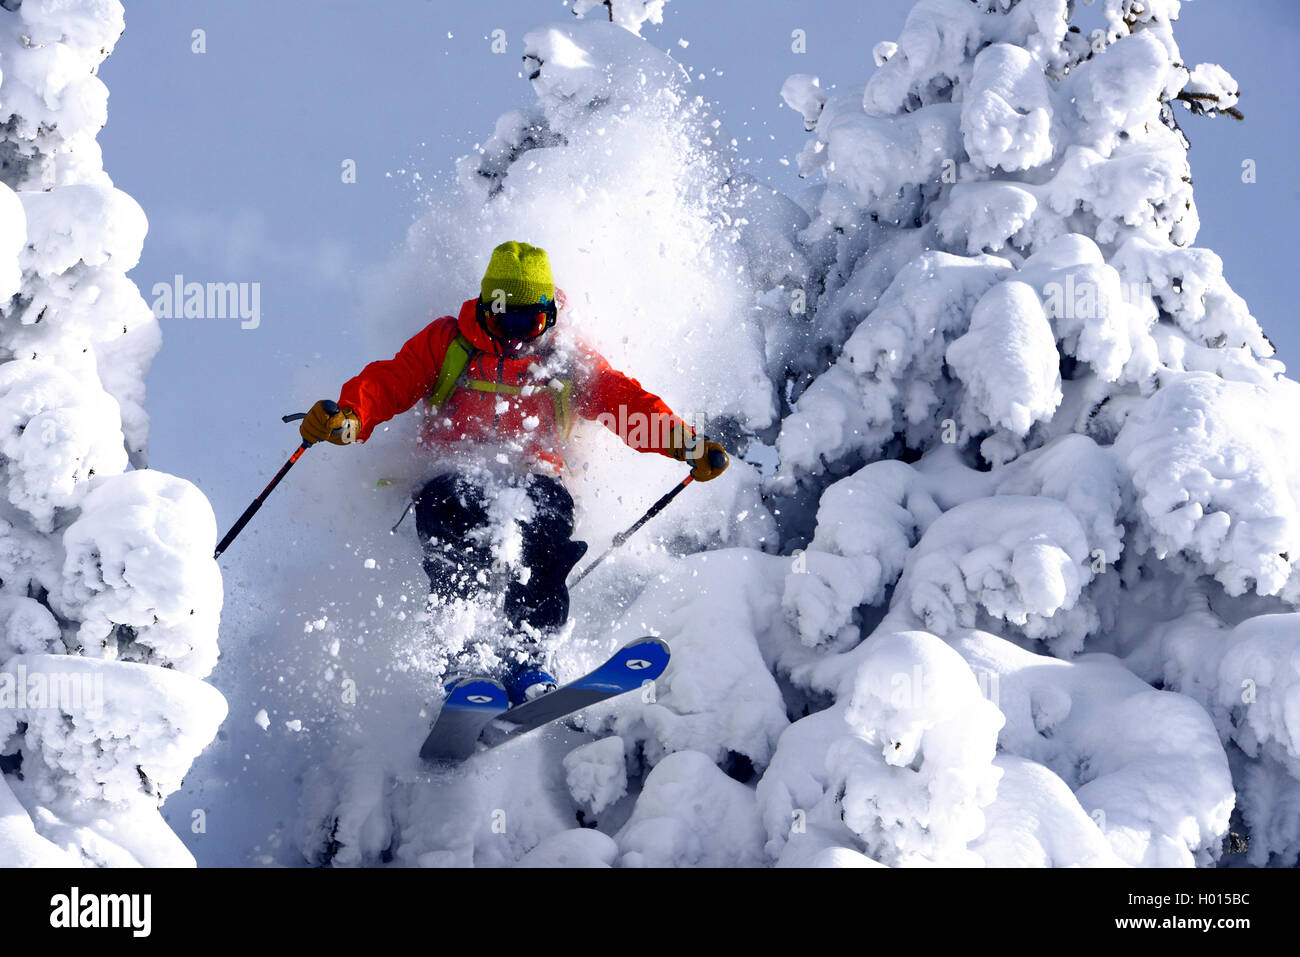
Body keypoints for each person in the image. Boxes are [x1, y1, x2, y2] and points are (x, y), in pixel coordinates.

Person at [299, 241, 728, 703]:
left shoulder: (564, 359)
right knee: (456, 524)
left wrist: (683, 442)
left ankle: (528, 655)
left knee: (545, 532)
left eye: (533, 321)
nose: (518, 334)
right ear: (487, 309)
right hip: (453, 466)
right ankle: (461, 655)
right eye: (507, 319)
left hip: (536, 472)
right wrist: (350, 416)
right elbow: (390, 381)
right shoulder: (448, 343)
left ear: (549, 315)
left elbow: (621, 401)